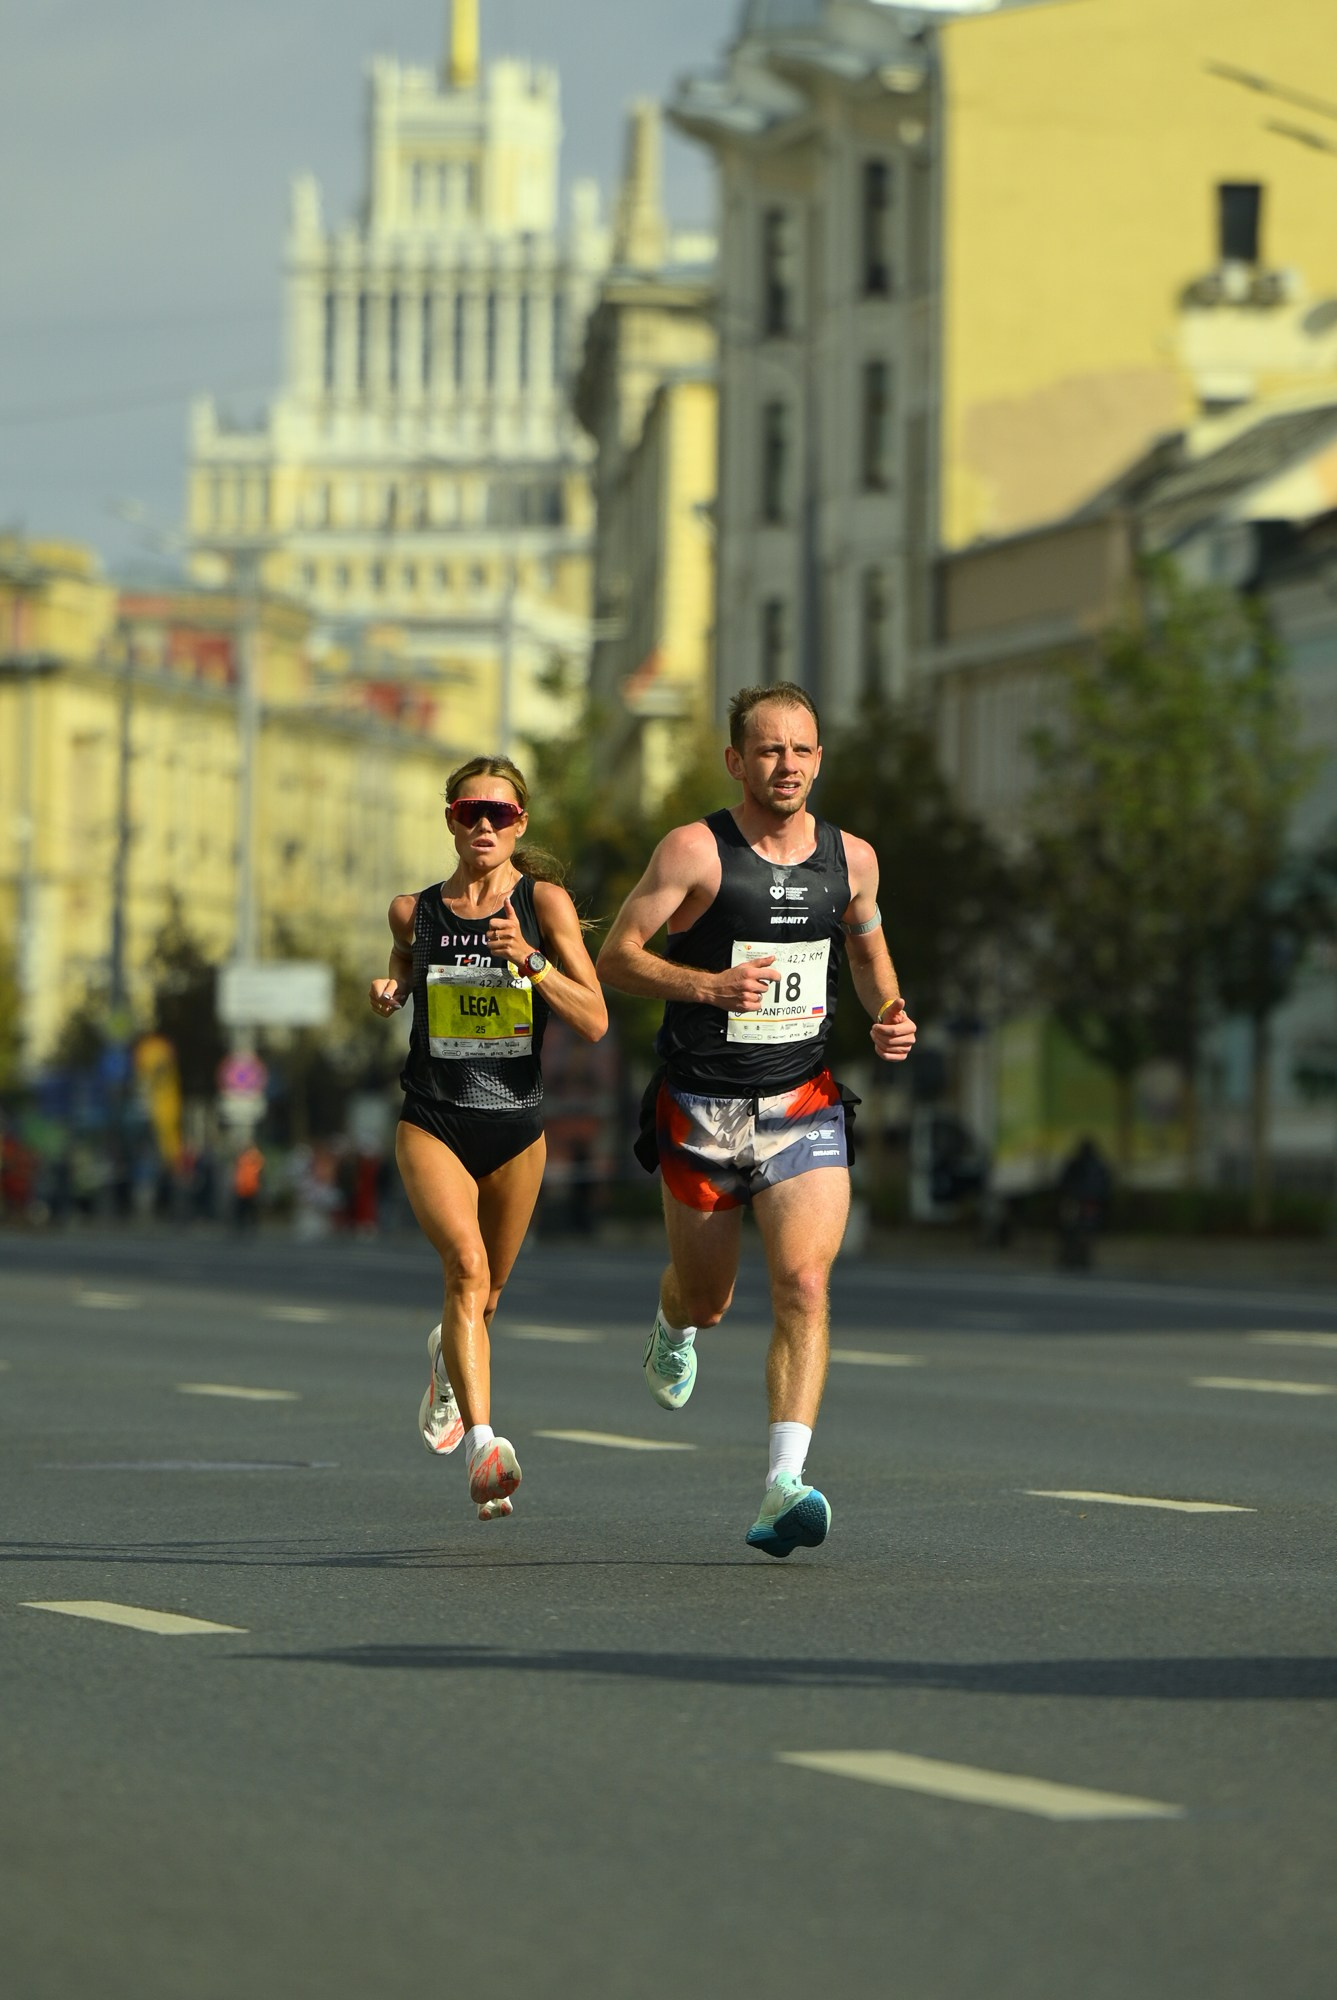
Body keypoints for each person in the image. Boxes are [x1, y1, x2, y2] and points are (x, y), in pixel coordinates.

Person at [596, 683, 916, 1558]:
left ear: (819, 758)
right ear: (735, 760)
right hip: (700, 1106)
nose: (787, 765)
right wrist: (706, 986)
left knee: (804, 1284)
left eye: (802, 749)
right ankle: (672, 1322)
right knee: (710, 1299)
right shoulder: (694, 851)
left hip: (801, 1100)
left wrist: (888, 1011)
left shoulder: (852, 859)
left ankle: (784, 1485)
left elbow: (867, 953)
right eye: (769, 750)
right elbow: (615, 957)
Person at [369, 754, 607, 1522]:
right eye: (468, 811)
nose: (482, 824)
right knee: (466, 1269)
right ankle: (483, 1448)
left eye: (498, 813)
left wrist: (529, 961)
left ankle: (447, 1363)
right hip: (433, 1117)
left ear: (519, 824)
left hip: (516, 1125)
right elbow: (405, 963)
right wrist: (394, 987)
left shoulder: (543, 904)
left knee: (488, 1297)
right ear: (449, 819)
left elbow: (594, 1019)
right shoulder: (414, 911)